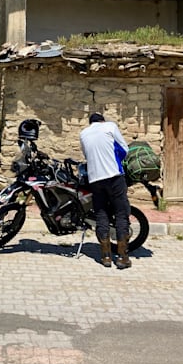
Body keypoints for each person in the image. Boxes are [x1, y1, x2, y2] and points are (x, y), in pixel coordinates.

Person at [79, 112, 133, 269]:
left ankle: (106, 257)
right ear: (102, 121)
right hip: (114, 176)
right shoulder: (110, 126)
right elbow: (124, 149)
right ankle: (123, 257)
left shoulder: (83, 133)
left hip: (95, 179)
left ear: (90, 123)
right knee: (121, 213)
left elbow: (86, 154)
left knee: (101, 214)